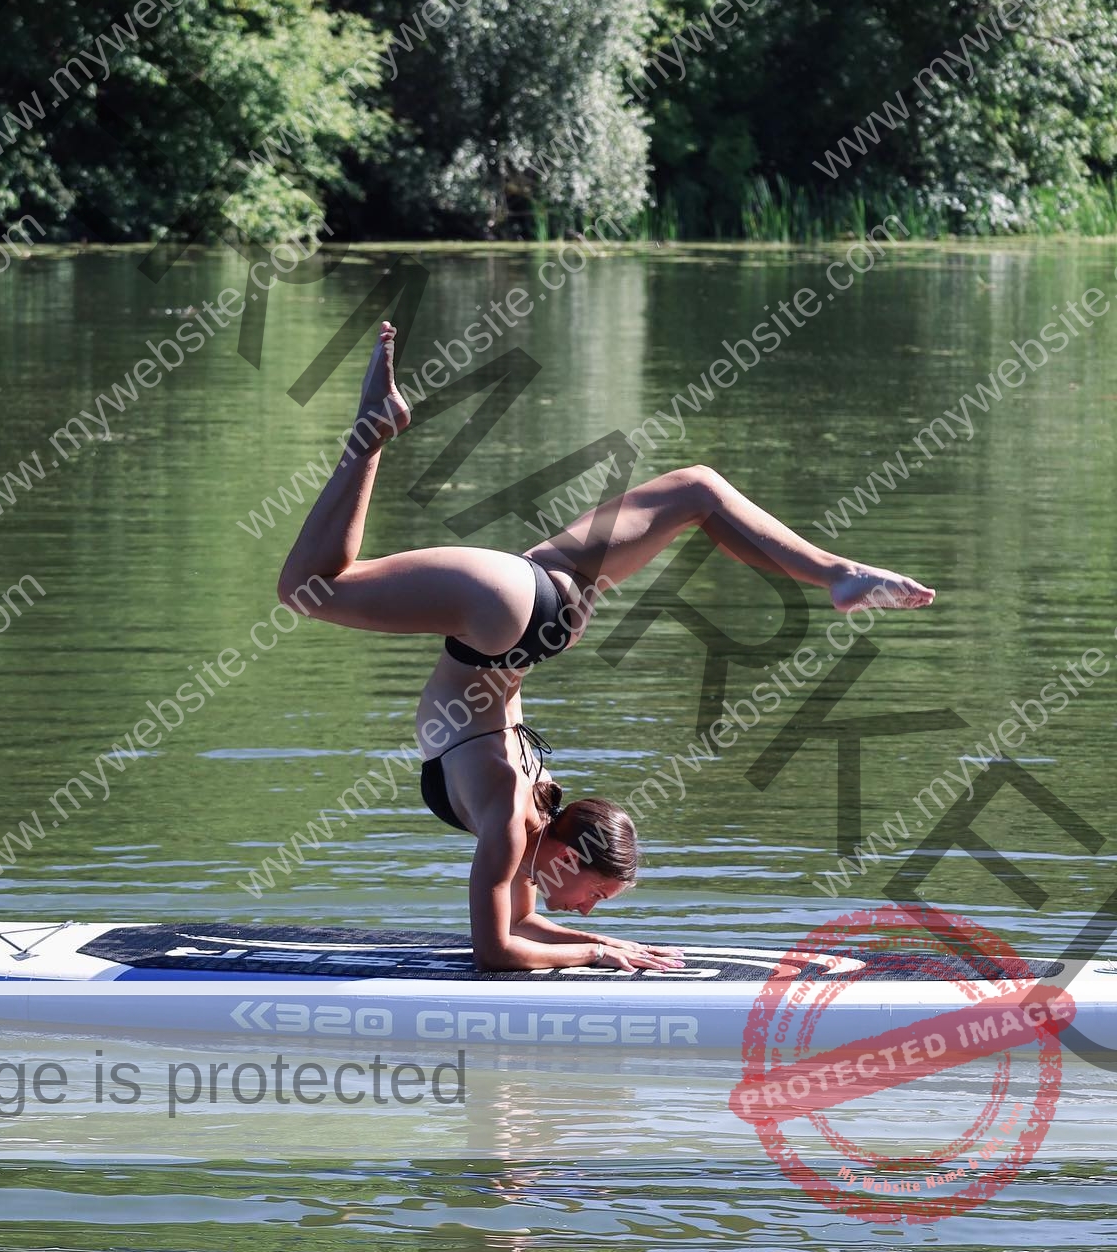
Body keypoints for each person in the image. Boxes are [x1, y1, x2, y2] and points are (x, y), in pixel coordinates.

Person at [276, 323, 935, 974]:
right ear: (564, 853)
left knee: (696, 491)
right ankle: (373, 432)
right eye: (595, 895)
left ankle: (837, 575)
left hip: (532, 616)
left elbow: (512, 930)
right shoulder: (515, 817)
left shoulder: (519, 821)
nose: (590, 912)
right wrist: (594, 950)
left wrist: (607, 950)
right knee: (305, 590)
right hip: (501, 619)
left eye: (594, 904)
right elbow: (495, 950)